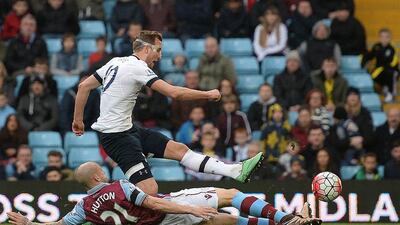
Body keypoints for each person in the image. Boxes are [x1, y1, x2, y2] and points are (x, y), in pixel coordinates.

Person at [72, 30, 264, 195]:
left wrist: (78, 120)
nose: (160, 56)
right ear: (146, 49)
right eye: (158, 50)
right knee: (149, 190)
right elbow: (174, 93)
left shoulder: (116, 61)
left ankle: (235, 171)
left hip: (127, 130)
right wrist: (207, 94)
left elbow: (84, 86)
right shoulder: (137, 67)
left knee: (180, 150)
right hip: (116, 138)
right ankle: (105, 210)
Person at [7, 162, 321, 225]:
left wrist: (28, 224)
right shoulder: (119, 185)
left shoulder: (84, 208)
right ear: (98, 175)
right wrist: (189, 209)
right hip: (169, 211)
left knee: (221, 222)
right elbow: (153, 201)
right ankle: (286, 220)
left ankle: (286, 224)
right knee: (229, 194)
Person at [361, 28, 399, 102]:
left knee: (390, 73)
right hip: (379, 70)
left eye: (386, 37)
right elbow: (370, 55)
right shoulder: (376, 46)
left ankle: (391, 94)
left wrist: (383, 68)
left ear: (390, 38)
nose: (384, 39)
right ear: (379, 38)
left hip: (391, 70)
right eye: (382, 36)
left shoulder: (392, 48)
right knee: (373, 75)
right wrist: (364, 62)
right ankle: (384, 87)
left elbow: (394, 63)